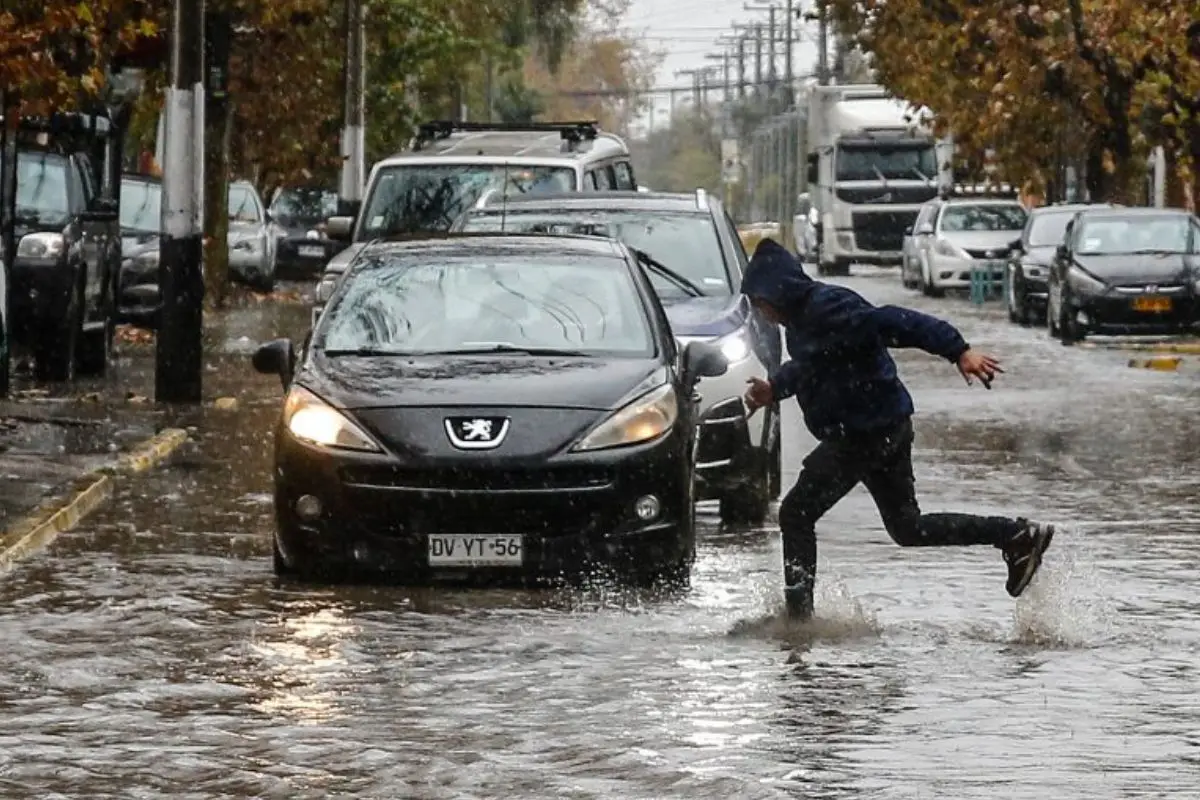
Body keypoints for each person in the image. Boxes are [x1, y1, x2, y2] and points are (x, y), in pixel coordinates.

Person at [740, 239, 1055, 619]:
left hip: (862, 435)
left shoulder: (829, 308)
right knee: (908, 528)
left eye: (759, 302)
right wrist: (775, 388)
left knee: (795, 514)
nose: (761, 312)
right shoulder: (803, 322)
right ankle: (1014, 535)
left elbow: (891, 320)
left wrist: (957, 350)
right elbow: (813, 365)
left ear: (777, 291)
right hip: (884, 428)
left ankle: (797, 620)